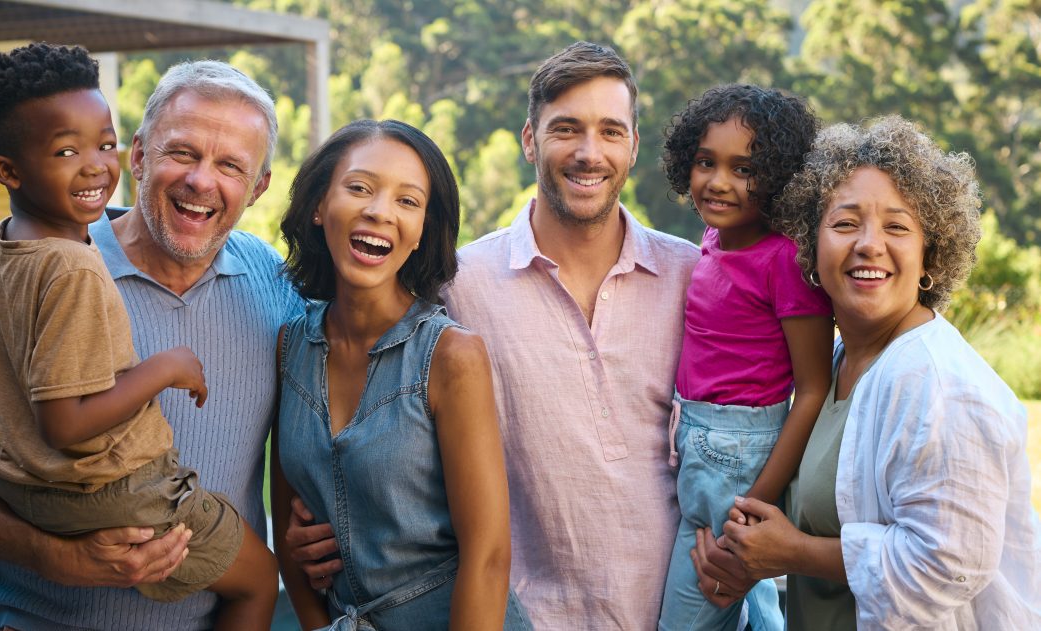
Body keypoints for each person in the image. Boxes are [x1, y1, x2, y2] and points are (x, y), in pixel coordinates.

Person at [286, 41, 762, 630]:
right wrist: (323, 528)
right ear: (530, 139)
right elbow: (374, 421)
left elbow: (756, 421)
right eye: (566, 129)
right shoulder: (458, 286)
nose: (590, 153)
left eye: (611, 131)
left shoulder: (695, 279)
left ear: (634, 146)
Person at [0, 58, 303, 630]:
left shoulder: (273, 284)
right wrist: (54, 556)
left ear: (259, 186)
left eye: (230, 165)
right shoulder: (49, 267)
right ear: (142, 156)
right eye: (182, 153)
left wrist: (323, 527)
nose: (202, 180)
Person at [713, 116, 1041, 629]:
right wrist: (747, 556)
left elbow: (948, 565)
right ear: (809, 245)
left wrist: (793, 553)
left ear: (930, 250)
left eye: (897, 226)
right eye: (845, 223)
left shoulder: (937, 386)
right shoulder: (841, 360)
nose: (869, 244)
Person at [271, 119, 531, 630]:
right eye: (360, 188)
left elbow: (489, 555)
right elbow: (287, 525)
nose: (380, 211)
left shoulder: (452, 356)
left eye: (407, 201)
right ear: (320, 207)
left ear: (421, 234)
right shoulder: (291, 345)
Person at [656, 84, 833, 631]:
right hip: (697, 445)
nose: (719, 182)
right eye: (706, 162)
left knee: (691, 615)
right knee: (743, 609)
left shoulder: (782, 259)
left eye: (745, 169)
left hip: (740, 458)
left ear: (780, 177)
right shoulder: (713, 238)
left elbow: (813, 390)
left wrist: (751, 509)